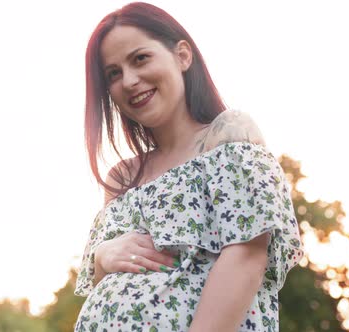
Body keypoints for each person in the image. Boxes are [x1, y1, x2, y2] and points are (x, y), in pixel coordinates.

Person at [74, 2, 304, 331]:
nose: (129, 80)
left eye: (140, 59)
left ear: (182, 55)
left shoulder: (226, 135)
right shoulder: (122, 177)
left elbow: (247, 256)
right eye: (113, 73)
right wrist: (101, 258)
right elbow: (108, 285)